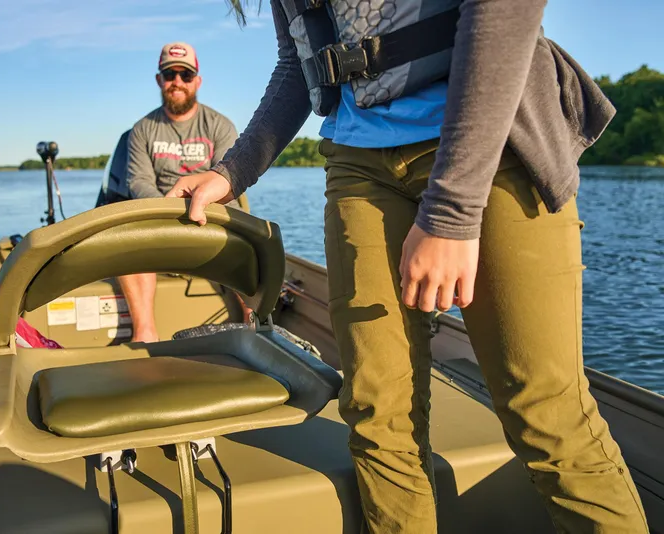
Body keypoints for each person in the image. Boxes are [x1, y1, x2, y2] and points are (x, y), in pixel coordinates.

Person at [165, 1, 650, 533]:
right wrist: (232, 171)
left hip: (494, 145)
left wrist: (451, 214)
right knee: (379, 412)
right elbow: (296, 63)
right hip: (360, 165)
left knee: (545, 413)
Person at [120, 42, 245, 343]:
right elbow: (138, 182)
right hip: (161, 220)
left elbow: (227, 180)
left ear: (197, 81)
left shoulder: (220, 126)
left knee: (249, 245)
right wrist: (169, 210)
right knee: (126, 247)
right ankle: (145, 334)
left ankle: (253, 326)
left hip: (212, 219)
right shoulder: (142, 130)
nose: (177, 81)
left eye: (185, 75)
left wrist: (196, 205)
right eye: (170, 74)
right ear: (159, 80)